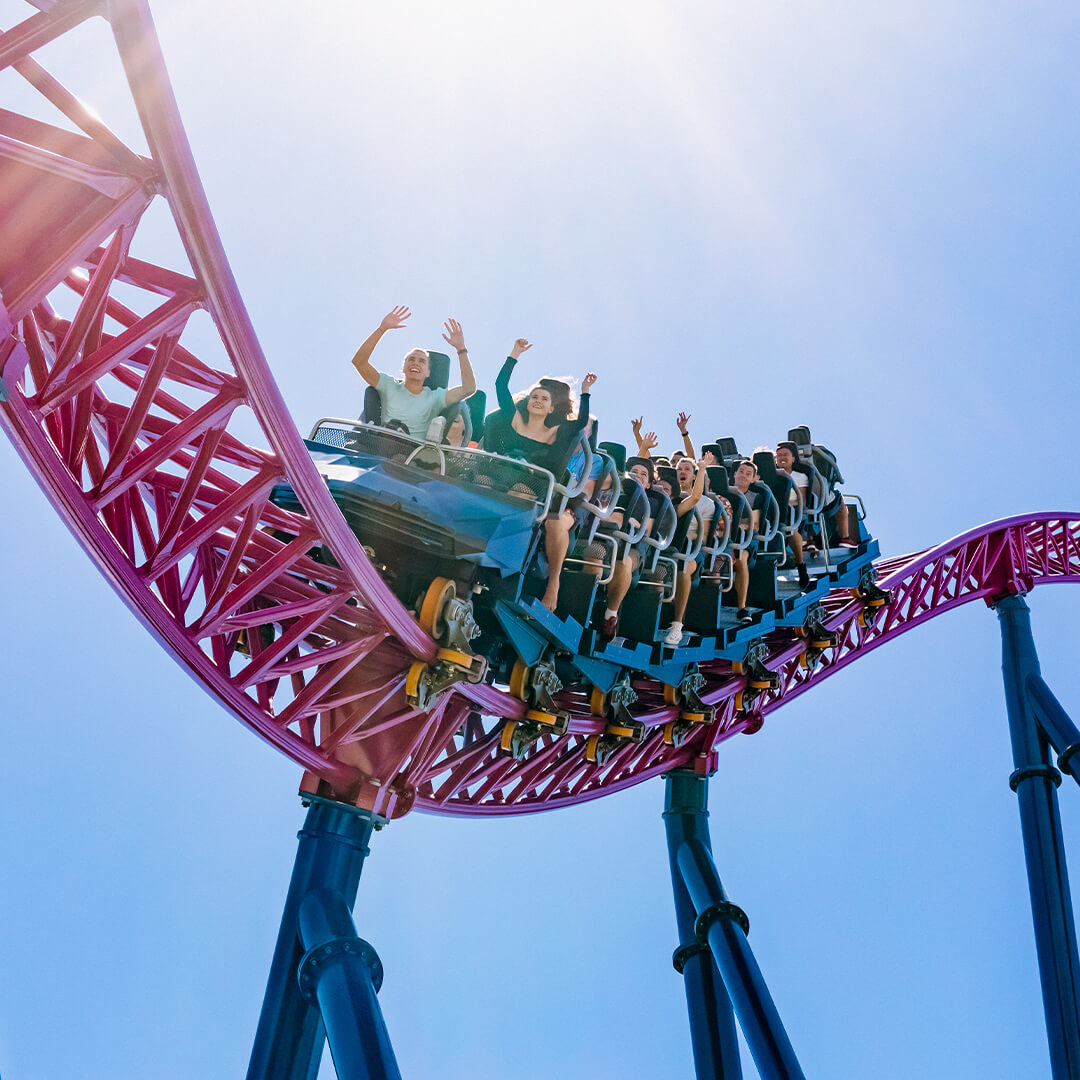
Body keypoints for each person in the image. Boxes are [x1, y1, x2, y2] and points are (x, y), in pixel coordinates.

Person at [492, 339, 598, 611]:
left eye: (545, 399)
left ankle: (544, 579)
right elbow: (500, 387)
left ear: (552, 408)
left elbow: (578, 424)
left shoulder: (555, 433)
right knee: (481, 483)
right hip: (502, 475)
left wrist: (585, 393)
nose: (538, 401)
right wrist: (513, 354)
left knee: (518, 494)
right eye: (535, 397)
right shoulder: (514, 418)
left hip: (533, 484)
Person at [350, 306, 476, 439]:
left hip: (413, 453)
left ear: (428, 372)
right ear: (403, 367)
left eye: (422, 361)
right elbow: (359, 362)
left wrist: (461, 349)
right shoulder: (389, 385)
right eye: (411, 359)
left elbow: (469, 389)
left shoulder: (435, 397)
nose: (416, 363)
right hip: (382, 445)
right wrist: (381, 329)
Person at [662, 457, 708, 646]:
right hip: (653, 551)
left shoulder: (674, 509)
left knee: (683, 568)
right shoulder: (648, 504)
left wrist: (702, 468)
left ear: (672, 494)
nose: (661, 492)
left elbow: (695, 498)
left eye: (665, 490)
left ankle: (677, 624)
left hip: (680, 553)